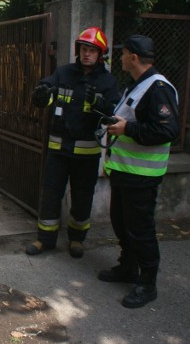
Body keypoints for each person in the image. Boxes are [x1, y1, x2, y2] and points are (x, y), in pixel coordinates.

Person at [26, 26, 121, 258]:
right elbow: (46, 93)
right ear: (78, 50)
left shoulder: (108, 82)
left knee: (82, 198)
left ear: (101, 54)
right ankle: (45, 239)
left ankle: (77, 239)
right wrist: (39, 96)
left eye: (92, 50)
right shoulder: (64, 73)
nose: (87, 54)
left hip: (86, 155)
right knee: (50, 195)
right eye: (84, 49)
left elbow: (114, 114)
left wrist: (98, 106)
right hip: (58, 151)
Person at [99, 34, 179, 308]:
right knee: (122, 224)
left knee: (140, 230)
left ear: (133, 57)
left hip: (142, 177)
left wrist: (127, 128)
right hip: (125, 172)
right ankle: (128, 268)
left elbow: (167, 131)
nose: (119, 58)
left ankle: (147, 284)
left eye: (123, 54)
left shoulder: (158, 88)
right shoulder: (136, 86)